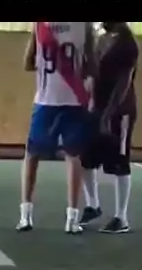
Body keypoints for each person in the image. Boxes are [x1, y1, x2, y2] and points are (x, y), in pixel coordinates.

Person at [17, 21, 95, 234]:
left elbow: (28, 62)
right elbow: (91, 64)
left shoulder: (40, 25)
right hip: (75, 99)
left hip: (46, 99)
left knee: (32, 154)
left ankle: (25, 215)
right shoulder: (85, 26)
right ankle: (72, 219)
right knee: (73, 155)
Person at [80, 21, 139, 234]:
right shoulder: (103, 38)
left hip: (120, 112)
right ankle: (92, 206)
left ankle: (121, 218)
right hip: (98, 108)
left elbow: (124, 82)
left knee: (120, 163)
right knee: (86, 158)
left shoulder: (128, 44)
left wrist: (109, 113)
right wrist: (92, 102)